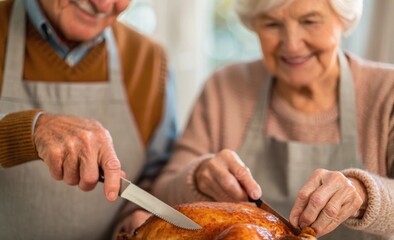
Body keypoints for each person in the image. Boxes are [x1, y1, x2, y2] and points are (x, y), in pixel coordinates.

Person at [152, 0, 394, 239]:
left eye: (310, 21)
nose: (292, 44)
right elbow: (160, 196)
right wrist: (198, 178)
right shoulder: (224, 87)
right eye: (271, 24)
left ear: (343, 19)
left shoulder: (387, 91)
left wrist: (363, 193)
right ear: (253, 25)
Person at [0, 0, 178, 239]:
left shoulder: (150, 60)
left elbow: (156, 175)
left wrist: (137, 217)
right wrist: (29, 131)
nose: (103, 4)